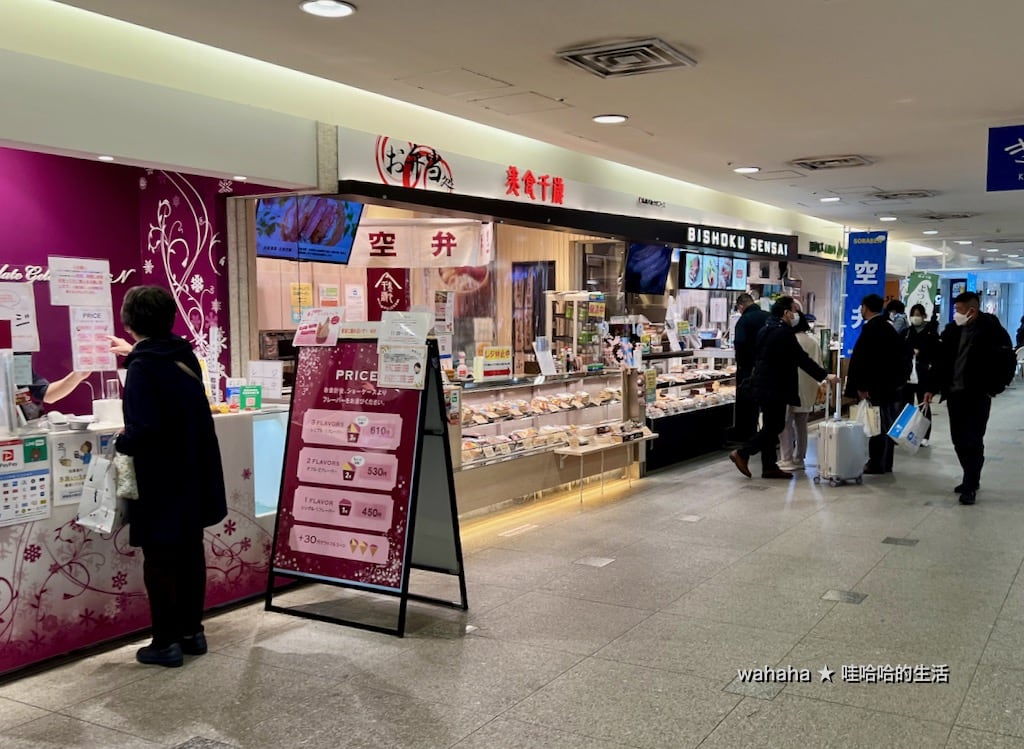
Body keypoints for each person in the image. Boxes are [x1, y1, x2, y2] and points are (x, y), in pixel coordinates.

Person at [114, 285, 227, 667]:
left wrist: (121, 442)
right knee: (190, 552)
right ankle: (192, 632)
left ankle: (164, 642)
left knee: (160, 559)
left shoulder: (142, 367)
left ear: (129, 321)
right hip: (194, 474)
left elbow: (143, 428)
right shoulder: (184, 357)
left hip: (160, 481)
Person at [730, 296, 836, 480]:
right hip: (775, 386)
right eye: (794, 310)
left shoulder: (767, 329)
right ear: (786, 313)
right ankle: (743, 453)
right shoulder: (783, 333)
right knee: (775, 425)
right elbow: (800, 358)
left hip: (763, 384)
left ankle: (769, 467)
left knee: (771, 425)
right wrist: (824, 375)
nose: (796, 315)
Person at [925, 291, 1015, 505]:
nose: (956, 314)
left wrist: (996, 386)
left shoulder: (992, 331)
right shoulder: (952, 331)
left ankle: (970, 483)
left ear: (971, 311)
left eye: (958, 310)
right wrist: (931, 387)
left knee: (973, 439)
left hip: (977, 395)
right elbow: (940, 361)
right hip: (954, 394)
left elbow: (1007, 360)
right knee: (958, 439)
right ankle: (970, 474)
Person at [845, 293, 910, 474]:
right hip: (889, 386)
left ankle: (876, 462)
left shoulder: (872, 328)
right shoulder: (887, 327)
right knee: (885, 425)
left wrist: (863, 386)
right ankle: (885, 462)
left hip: (876, 388)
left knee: (876, 426)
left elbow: (866, 360)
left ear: (865, 307)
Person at [778, 311, 823, 472]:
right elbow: (818, 365)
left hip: (790, 386)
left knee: (785, 424)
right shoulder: (813, 341)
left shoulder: (789, 339)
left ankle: (786, 458)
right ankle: (800, 458)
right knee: (802, 424)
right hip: (808, 387)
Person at [728, 292, 770, 444]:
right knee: (768, 407)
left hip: (749, 369)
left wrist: (742, 365)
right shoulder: (768, 316)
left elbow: (740, 343)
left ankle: (747, 436)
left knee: (747, 404)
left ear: (741, 306)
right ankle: (768, 436)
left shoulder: (743, 321)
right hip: (769, 369)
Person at [903, 303, 940, 447]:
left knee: (923, 405)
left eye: (918, 314)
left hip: (924, 374)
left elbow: (936, 354)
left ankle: (925, 435)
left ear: (924, 316)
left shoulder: (931, 333)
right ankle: (905, 432)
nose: (915, 317)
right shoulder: (907, 332)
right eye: (913, 314)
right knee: (907, 405)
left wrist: (921, 352)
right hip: (907, 374)